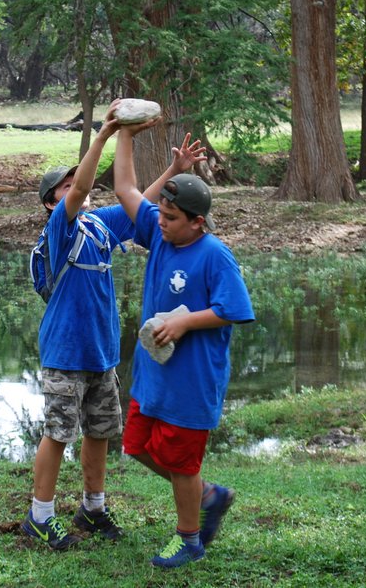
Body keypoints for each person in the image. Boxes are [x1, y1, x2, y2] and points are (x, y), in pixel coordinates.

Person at [21, 100, 206, 551]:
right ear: (52, 203)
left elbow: (137, 206)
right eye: (64, 188)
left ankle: (93, 507)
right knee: (58, 432)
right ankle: (39, 515)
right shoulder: (60, 228)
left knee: (99, 431)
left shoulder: (98, 226)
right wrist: (103, 136)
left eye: (73, 183)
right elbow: (83, 188)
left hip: (100, 351)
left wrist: (174, 170)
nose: (73, 190)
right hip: (65, 351)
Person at [112, 123, 255, 569]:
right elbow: (123, 187)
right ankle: (208, 496)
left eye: (170, 218)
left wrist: (185, 321)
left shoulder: (214, 254)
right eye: (159, 213)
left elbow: (234, 308)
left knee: (181, 462)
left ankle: (189, 538)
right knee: (135, 446)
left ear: (197, 221)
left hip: (192, 382)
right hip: (154, 376)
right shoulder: (158, 234)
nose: (160, 222)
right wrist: (123, 133)